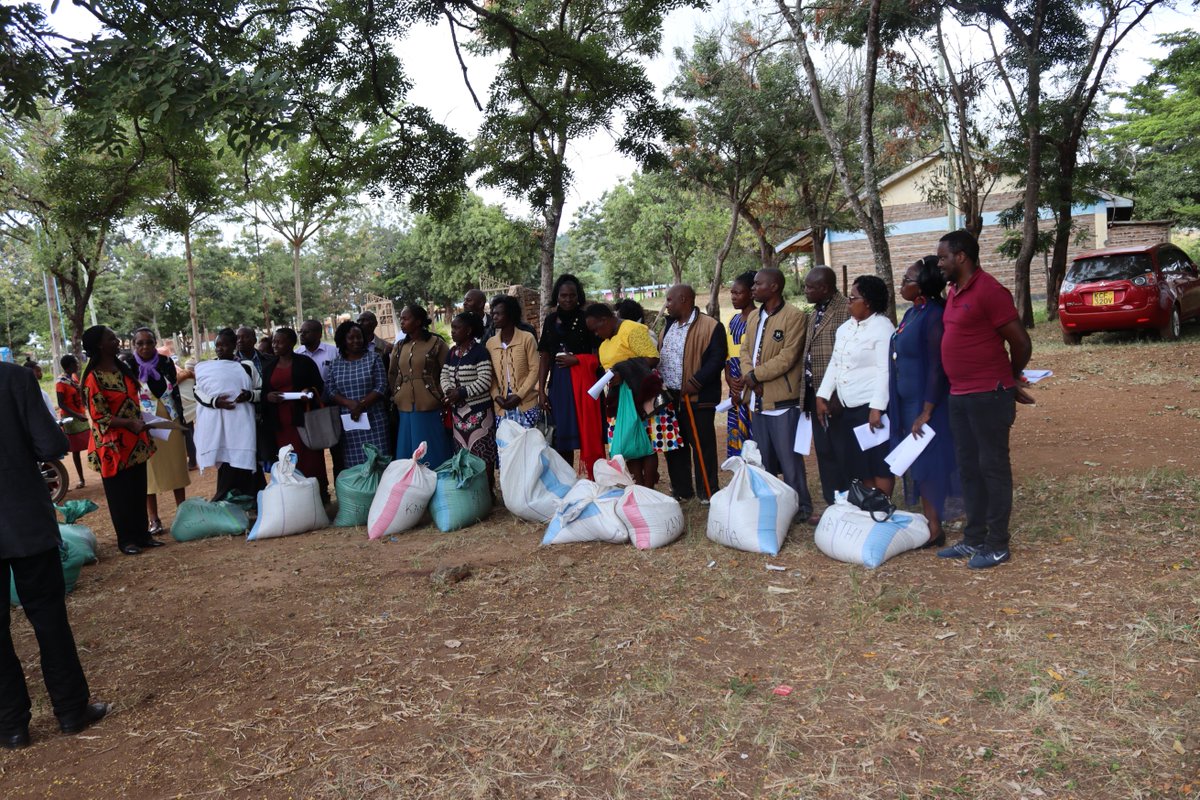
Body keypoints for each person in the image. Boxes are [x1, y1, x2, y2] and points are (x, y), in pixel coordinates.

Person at [0, 361, 109, 749]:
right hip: (24, 521)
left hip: (21, 523)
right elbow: (50, 446)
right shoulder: (13, 378)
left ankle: (11, 727)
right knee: (48, 621)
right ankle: (70, 711)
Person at [936, 230, 1033, 569]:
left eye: (943, 256)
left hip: (988, 395)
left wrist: (1009, 376)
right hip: (959, 395)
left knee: (992, 468)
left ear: (961, 256)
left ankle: (997, 544)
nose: (940, 262)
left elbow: (1021, 342)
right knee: (968, 469)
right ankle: (974, 537)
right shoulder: (953, 291)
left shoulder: (990, 291)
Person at [889, 256, 963, 549]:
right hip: (907, 400)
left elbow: (936, 365)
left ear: (923, 286)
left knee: (929, 465)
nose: (902, 284)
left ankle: (935, 528)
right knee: (918, 465)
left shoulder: (933, 314)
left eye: (907, 280)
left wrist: (927, 409)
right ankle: (931, 522)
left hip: (926, 404)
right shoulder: (911, 313)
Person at [79, 325, 161, 555]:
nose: (117, 341)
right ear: (99, 345)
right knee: (120, 495)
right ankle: (126, 540)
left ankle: (143, 535)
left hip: (135, 441)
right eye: (111, 338)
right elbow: (99, 416)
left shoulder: (122, 368)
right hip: (112, 445)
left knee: (137, 489)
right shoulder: (93, 378)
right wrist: (129, 423)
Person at [740, 268, 813, 523]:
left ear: (774, 287)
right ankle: (775, 507)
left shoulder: (794, 316)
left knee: (789, 461)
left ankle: (801, 507)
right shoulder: (753, 317)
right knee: (765, 460)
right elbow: (745, 351)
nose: (753, 288)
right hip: (757, 400)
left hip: (783, 401)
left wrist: (756, 376)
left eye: (758, 284)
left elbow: (789, 357)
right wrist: (750, 375)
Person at [815, 275, 896, 496]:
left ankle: (882, 505)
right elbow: (835, 362)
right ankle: (868, 504)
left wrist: (877, 407)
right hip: (847, 406)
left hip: (870, 407)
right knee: (860, 462)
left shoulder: (882, 328)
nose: (849, 302)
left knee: (878, 461)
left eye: (853, 298)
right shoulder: (845, 329)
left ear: (868, 302)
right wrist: (822, 395)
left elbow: (885, 370)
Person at [586, 302, 681, 488]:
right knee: (628, 444)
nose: (596, 334)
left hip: (642, 395)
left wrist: (624, 372)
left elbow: (652, 358)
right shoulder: (605, 344)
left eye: (597, 329)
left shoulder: (632, 330)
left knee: (647, 444)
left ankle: (648, 489)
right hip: (620, 401)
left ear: (605, 320)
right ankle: (637, 488)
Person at [661, 284, 727, 502]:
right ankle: (682, 490)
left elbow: (717, 359)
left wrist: (696, 381)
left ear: (684, 299)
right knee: (675, 445)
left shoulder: (710, 326)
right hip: (671, 397)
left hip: (696, 397)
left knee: (701, 445)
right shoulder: (668, 326)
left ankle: (707, 491)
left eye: (669, 300)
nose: (666, 305)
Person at [123, 328, 190, 536]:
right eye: (140, 343)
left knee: (177, 467)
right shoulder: (128, 366)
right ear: (134, 345)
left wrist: (182, 417)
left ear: (155, 343)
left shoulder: (165, 362)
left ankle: (183, 514)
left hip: (170, 420)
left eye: (149, 343)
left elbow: (175, 390)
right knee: (149, 473)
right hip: (145, 425)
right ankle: (154, 519)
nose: (145, 347)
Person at [536, 275, 604, 475]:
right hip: (560, 384)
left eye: (572, 295)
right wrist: (541, 390)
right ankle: (567, 483)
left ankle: (595, 480)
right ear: (557, 296)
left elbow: (598, 353)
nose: (567, 299)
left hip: (585, 383)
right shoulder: (550, 320)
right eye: (563, 295)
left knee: (588, 433)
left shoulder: (587, 319)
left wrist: (578, 360)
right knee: (561, 437)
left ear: (578, 296)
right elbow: (545, 357)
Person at [801, 266, 852, 519]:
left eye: (810, 287)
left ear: (825, 288)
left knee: (842, 449)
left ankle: (849, 503)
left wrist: (834, 394)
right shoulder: (814, 312)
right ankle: (832, 503)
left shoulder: (846, 309)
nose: (805, 290)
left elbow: (847, 355)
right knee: (824, 450)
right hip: (814, 393)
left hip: (836, 396)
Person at [194, 328, 261, 502]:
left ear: (234, 345)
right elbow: (198, 392)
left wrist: (249, 395)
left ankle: (252, 500)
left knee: (244, 460)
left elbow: (260, 390)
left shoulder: (246, 367)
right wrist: (215, 402)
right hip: (218, 425)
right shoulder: (206, 368)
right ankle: (226, 499)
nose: (219, 348)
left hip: (241, 423)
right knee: (226, 462)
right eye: (217, 345)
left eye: (224, 345)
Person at [262, 327, 328, 501]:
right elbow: (263, 392)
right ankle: (294, 498)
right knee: (287, 459)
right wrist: (268, 396)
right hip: (280, 421)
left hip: (303, 417)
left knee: (310, 457)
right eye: (274, 341)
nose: (275, 345)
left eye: (280, 341)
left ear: (291, 343)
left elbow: (319, 386)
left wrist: (308, 392)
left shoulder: (304, 362)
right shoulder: (268, 366)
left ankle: (318, 494)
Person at [390, 304, 453, 469]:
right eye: (401, 319)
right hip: (404, 407)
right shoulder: (399, 346)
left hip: (430, 405)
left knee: (431, 449)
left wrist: (441, 394)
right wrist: (396, 394)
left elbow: (447, 370)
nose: (402, 322)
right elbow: (392, 373)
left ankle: (436, 483)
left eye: (406, 318)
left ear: (418, 322)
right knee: (407, 448)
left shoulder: (436, 343)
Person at [442, 312, 498, 492]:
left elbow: (485, 380)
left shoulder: (480, 352)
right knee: (463, 453)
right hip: (459, 413)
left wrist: (462, 392)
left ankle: (487, 490)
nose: (453, 332)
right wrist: (449, 391)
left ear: (469, 330)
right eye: (452, 328)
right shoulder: (452, 353)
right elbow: (444, 374)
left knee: (483, 453)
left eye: (457, 328)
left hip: (479, 412)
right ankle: (472, 492)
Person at [324, 320, 390, 471]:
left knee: (379, 462)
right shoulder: (335, 363)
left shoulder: (373, 358)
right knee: (355, 465)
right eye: (351, 338)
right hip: (349, 423)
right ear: (343, 340)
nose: (356, 341)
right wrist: (349, 404)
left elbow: (381, 386)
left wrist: (361, 405)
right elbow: (331, 389)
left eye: (359, 337)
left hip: (374, 420)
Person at [486, 294, 541, 429]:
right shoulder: (491, 343)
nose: (494, 317)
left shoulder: (526, 338)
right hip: (501, 406)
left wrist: (519, 395)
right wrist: (496, 397)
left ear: (510, 315)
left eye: (499, 314)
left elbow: (535, 369)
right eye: (493, 314)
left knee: (529, 447)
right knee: (506, 448)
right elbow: (490, 375)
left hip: (526, 403)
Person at [724, 271, 757, 458]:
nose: (733, 297)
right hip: (735, 385)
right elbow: (728, 356)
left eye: (738, 293)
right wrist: (729, 378)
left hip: (751, 384)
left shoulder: (759, 318)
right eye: (732, 293)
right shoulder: (733, 321)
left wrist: (746, 380)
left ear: (752, 293)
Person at [54, 355, 91, 489]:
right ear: (69, 365)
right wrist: (77, 415)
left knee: (91, 444)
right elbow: (61, 404)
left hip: (81, 415)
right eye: (75, 363)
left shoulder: (73, 378)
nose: (77, 365)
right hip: (70, 418)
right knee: (76, 450)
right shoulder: (61, 382)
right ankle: (81, 479)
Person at [175, 357, 199, 470]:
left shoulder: (180, 377)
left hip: (183, 409)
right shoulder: (195, 379)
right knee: (190, 433)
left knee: (187, 435)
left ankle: (192, 461)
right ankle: (193, 460)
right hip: (190, 409)